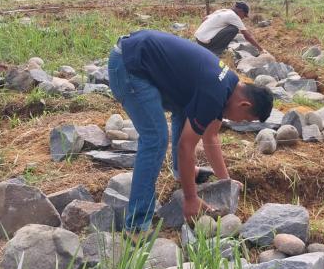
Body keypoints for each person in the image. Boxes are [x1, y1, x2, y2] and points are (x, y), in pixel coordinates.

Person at [108, 30, 273, 234]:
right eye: (247, 119)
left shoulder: (228, 83)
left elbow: (210, 136)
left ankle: (180, 173)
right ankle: (136, 225)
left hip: (140, 58)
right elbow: (186, 147)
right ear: (244, 104)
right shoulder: (214, 94)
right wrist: (190, 198)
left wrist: (225, 182)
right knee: (156, 138)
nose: (240, 122)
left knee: (184, 111)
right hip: (128, 67)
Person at [195, 1, 265, 56]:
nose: (243, 18)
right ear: (240, 11)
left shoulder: (223, 11)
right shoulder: (234, 16)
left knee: (228, 27)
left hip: (198, 39)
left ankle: (211, 46)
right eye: (244, 15)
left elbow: (204, 19)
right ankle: (215, 52)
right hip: (205, 43)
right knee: (234, 29)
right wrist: (261, 49)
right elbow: (247, 36)